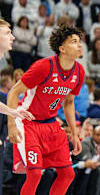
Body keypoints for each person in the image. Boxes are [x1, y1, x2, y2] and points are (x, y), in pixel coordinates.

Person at [7, 22, 86, 195]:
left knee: (67, 174)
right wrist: (12, 125)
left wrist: (74, 132)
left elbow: (68, 102)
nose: (79, 44)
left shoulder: (79, 71)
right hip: (28, 123)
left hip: (51, 124)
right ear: (62, 48)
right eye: (74, 41)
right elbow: (13, 92)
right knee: (35, 174)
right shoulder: (44, 66)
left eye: (79, 41)